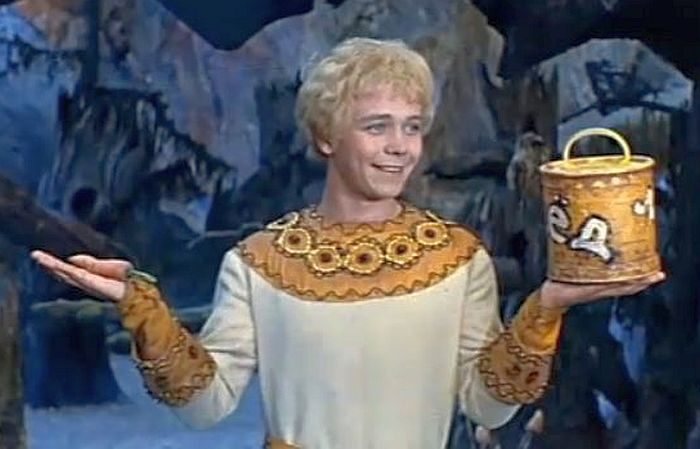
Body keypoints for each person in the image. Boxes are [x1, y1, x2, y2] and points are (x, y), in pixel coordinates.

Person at [31, 37, 664, 449]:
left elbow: (489, 405)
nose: (399, 147)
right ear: (326, 136)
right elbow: (205, 405)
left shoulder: (457, 258)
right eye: (377, 126)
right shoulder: (260, 263)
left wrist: (547, 306)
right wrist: (141, 307)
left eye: (412, 127)